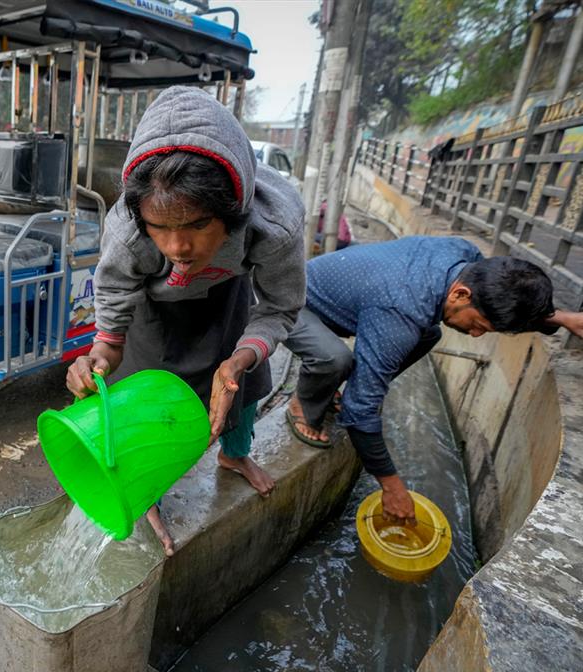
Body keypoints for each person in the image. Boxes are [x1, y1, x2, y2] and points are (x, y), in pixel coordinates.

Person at [65, 87, 306, 555]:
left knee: (244, 388)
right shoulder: (128, 232)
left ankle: (235, 456)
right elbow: (113, 308)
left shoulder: (274, 225)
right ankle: (145, 488)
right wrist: (98, 356)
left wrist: (241, 358)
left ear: (232, 211)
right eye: (161, 227)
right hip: (154, 309)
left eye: (196, 225)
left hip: (226, 296)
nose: (177, 247)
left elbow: (280, 306)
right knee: (144, 402)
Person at [283, 236, 583, 523]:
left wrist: (560, 318)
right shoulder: (399, 313)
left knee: (429, 333)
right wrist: (392, 487)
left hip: (353, 297)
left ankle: (356, 384)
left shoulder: (464, 257)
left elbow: (503, 289)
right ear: (460, 295)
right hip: (292, 301)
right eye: (479, 325)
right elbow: (359, 415)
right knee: (335, 359)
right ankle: (303, 406)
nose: (477, 335)